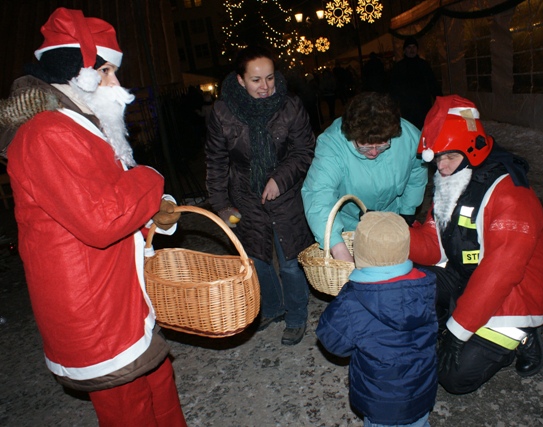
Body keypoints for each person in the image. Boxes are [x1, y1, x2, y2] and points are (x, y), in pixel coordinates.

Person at [1, 7, 187, 425]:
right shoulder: (47, 133)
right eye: (108, 71)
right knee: (129, 407)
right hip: (94, 305)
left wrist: (154, 214)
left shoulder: (77, 124)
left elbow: (106, 196)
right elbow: (101, 220)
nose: (117, 84)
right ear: (80, 73)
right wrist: (150, 178)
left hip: (119, 290)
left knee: (158, 381)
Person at [410, 95, 543, 394]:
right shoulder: (452, 181)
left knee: (453, 378)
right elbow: (434, 245)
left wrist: (456, 331)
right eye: (437, 158)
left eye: (449, 156)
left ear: (471, 148)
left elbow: (500, 273)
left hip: (513, 295)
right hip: (469, 276)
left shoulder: (512, 195)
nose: (443, 167)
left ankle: (525, 335)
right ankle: (458, 319)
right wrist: (394, 237)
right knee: (412, 283)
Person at [205, 45, 316, 346]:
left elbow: (304, 149)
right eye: (256, 80)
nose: (265, 87)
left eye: (269, 78)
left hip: (286, 193)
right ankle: (273, 307)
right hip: (244, 194)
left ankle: (295, 315)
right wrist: (221, 204)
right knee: (257, 258)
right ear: (240, 80)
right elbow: (216, 162)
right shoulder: (222, 112)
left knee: (290, 259)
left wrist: (280, 179)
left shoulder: (290, 105)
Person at [316, 211, 438, 427]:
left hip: (381, 404)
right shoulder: (425, 287)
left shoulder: (353, 301)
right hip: (421, 393)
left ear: (360, 252)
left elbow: (332, 341)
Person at [301, 91, 427, 262]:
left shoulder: (409, 137)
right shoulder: (332, 144)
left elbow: (417, 174)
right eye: (365, 148)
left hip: (392, 215)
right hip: (351, 225)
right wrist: (337, 246)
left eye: (382, 146)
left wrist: (407, 213)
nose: (374, 152)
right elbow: (319, 193)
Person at [390, 36, 442, 130]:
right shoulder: (399, 67)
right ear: (405, 50)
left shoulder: (423, 65)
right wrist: (394, 104)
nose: (412, 50)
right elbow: (394, 87)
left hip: (423, 105)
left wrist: (440, 99)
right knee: (410, 129)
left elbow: (432, 83)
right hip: (407, 106)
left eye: (414, 47)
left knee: (425, 128)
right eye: (409, 47)